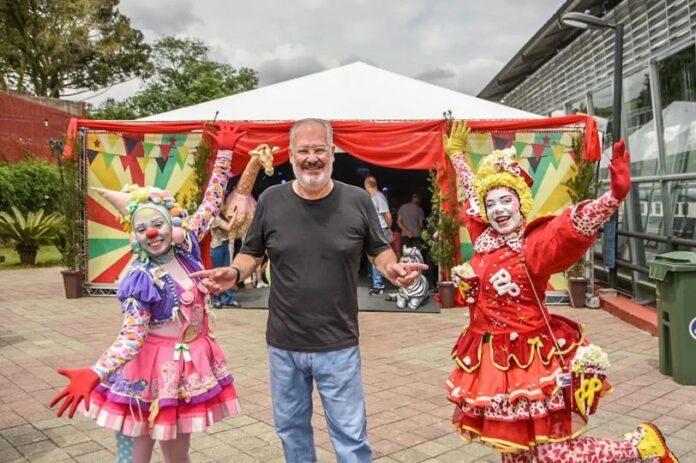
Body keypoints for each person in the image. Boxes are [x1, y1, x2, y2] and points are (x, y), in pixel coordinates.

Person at [191, 118, 428, 463]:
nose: (312, 158)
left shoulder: (357, 200)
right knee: (291, 431)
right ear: (291, 154)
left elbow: (379, 249)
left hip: (338, 343)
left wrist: (391, 268)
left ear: (332, 153)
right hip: (283, 344)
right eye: (304, 150)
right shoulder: (272, 199)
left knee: (351, 437)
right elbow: (251, 251)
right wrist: (233, 271)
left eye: (319, 150)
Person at [442, 121, 678, 463]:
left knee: (554, 454)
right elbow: (474, 191)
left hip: (530, 360)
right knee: (516, 450)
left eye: (506, 200)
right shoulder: (485, 238)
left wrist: (612, 198)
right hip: (491, 363)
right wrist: (458, 156)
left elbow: (570, 230)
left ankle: (640, 448)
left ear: (521, 203)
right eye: (492, 204)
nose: (498, 210)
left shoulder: (532, 246)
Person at [49, 126, 246, 463]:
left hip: (185, 368)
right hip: (148, 369)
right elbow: (131, 336)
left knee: (177, 450)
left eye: (157, 224)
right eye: (142, 229)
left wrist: (225, 155)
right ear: (135, 236)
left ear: (171, 224)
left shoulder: (185, 248)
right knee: (137, 449)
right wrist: (97, 372)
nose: (152, 232)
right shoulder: (139, 279)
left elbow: (211, 205)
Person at [364, 175, 392, 294]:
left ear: (368, 185)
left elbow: (387, 215)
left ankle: (378, 285)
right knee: (373, 256)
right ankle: (377, 281)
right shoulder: (373, 197)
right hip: (376, 229)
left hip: (380, 229)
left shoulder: (379, 197)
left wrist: (389, 228)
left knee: (377, 256)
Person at [210, 203, 241, 308]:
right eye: (222, 204)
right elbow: (228, 228)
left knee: (227, 272)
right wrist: (235, 215)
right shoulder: (215, 219)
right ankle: (216, 299)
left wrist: (232, 216)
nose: (225, 206)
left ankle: (230, 299)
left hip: (225, 245)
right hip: (217, 247)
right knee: (217, 274)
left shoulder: (222, 217)